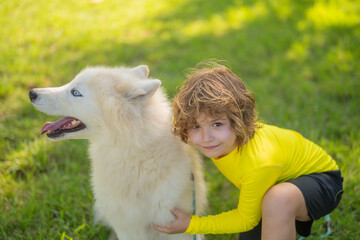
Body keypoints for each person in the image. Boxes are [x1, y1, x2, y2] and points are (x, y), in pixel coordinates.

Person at [153, 61, 344, 240]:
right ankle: (282, 216)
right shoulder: (222, 141)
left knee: (277, 200)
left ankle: (287, 212)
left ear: (239, 121)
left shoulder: (258, 161)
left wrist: (191, 224)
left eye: (217, 124)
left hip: (322, 180)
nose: (206, 137)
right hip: (275, 180)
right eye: (195, 126)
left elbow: (245, 219)